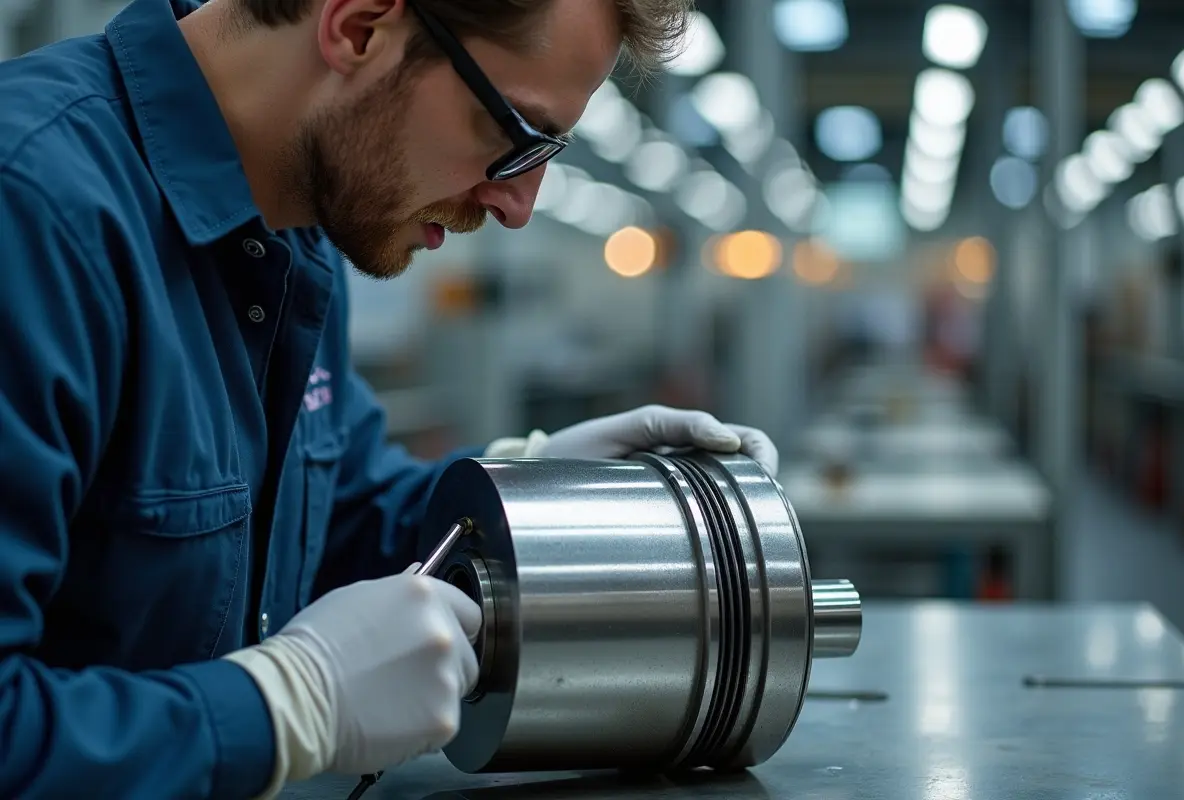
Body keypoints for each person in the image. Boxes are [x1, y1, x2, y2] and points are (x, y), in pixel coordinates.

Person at [0, 0, 781, 797]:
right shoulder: (31, 209)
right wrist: (280, 710)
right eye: (514, 138)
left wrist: (532, 505)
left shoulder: (298, 231)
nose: (518, 206)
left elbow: (332, 521)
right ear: (360, 27)